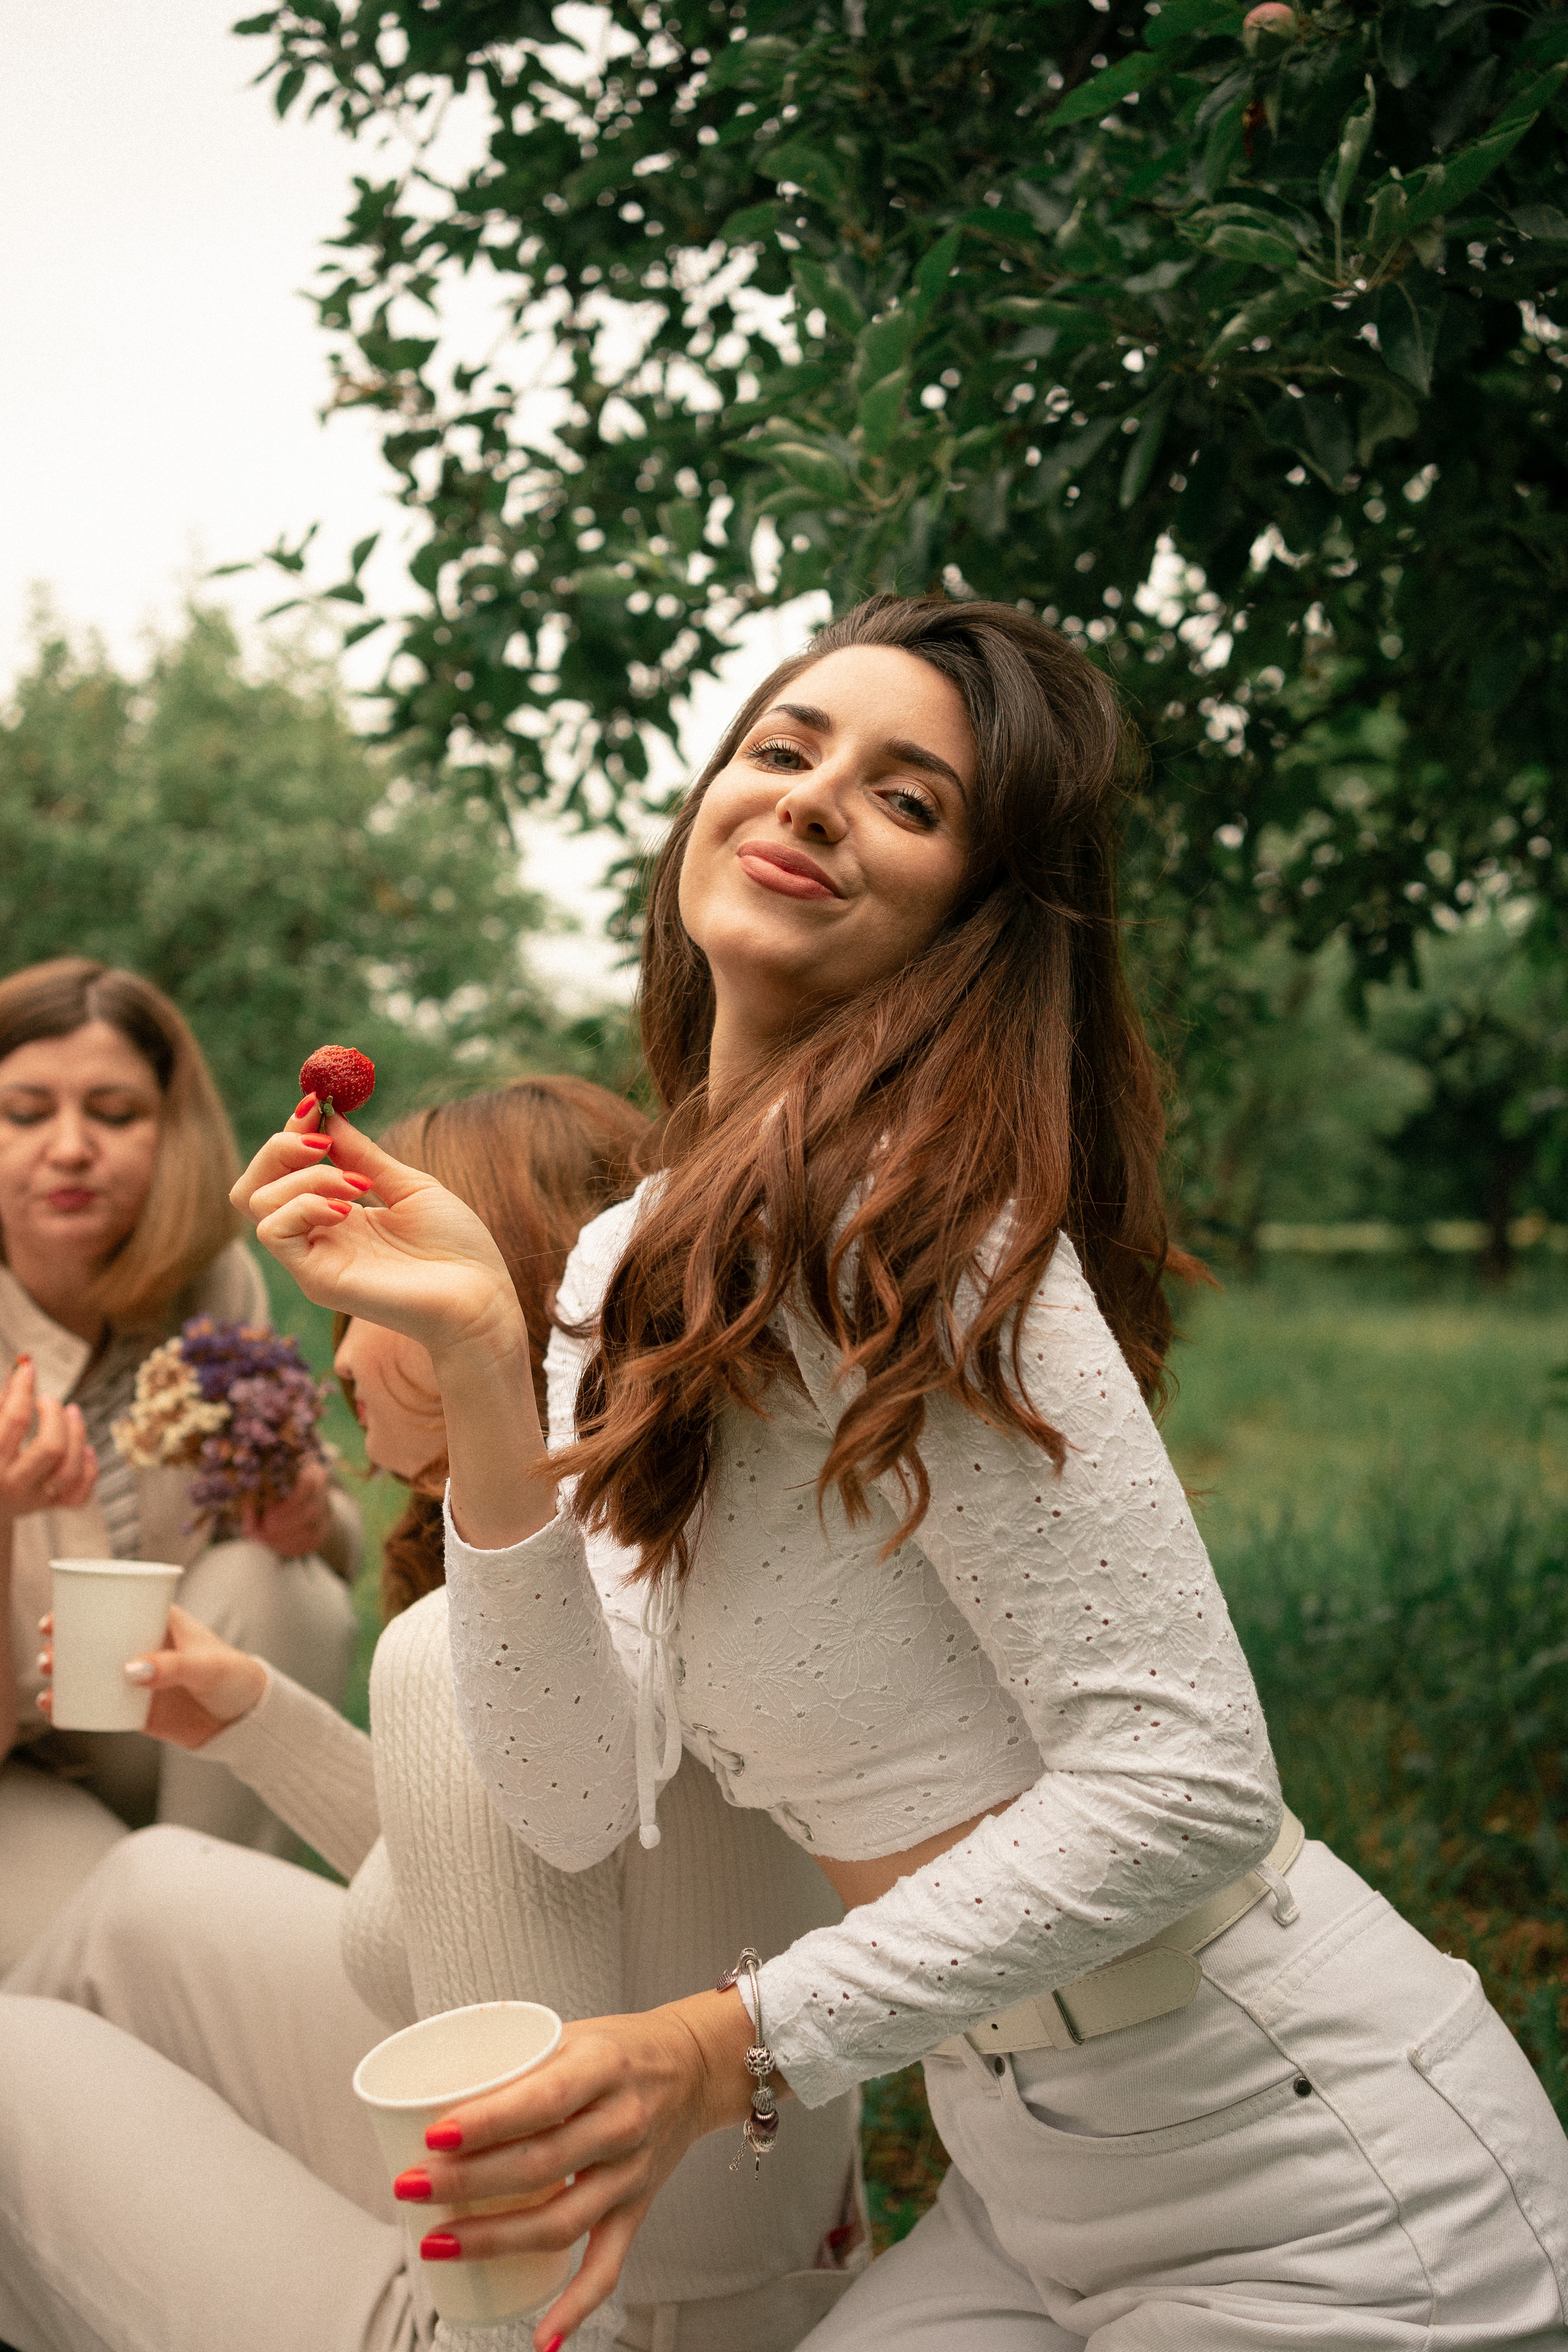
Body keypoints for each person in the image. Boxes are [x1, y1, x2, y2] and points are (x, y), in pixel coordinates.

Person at [224, 593, 1566, 2352]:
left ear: (972, 922)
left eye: (907, 799)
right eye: (783, 750)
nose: (810, 798)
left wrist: (727, 2044)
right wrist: (484, 1369)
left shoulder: (921, 1223)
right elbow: (563, 1793)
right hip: (1025, 2176)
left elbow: (1186, 1780)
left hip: (1318, 2180)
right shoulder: (621, 1262)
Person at [0, 1076, 865, 2352]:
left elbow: (529, 2270)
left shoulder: (478, 1639)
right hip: (766, 2242)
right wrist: (256, 1720)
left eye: (359, 1305)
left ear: (486, 1296)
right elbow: (520, 1892)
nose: (338, 1358)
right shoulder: (673, 1533)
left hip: (575, 2318)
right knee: (147, 1894)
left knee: (10, 2057)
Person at [0, 958, 359, 1966]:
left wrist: (305, 1512)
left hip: (163, 1709)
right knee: (108, 1958)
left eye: (114, 1112)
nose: (70, 1149)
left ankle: (218, 1930)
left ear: (171, 1130)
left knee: (281, 1582)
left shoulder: (212, 1281)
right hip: (15, 1765)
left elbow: (324, 1531)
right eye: (25, 1112)